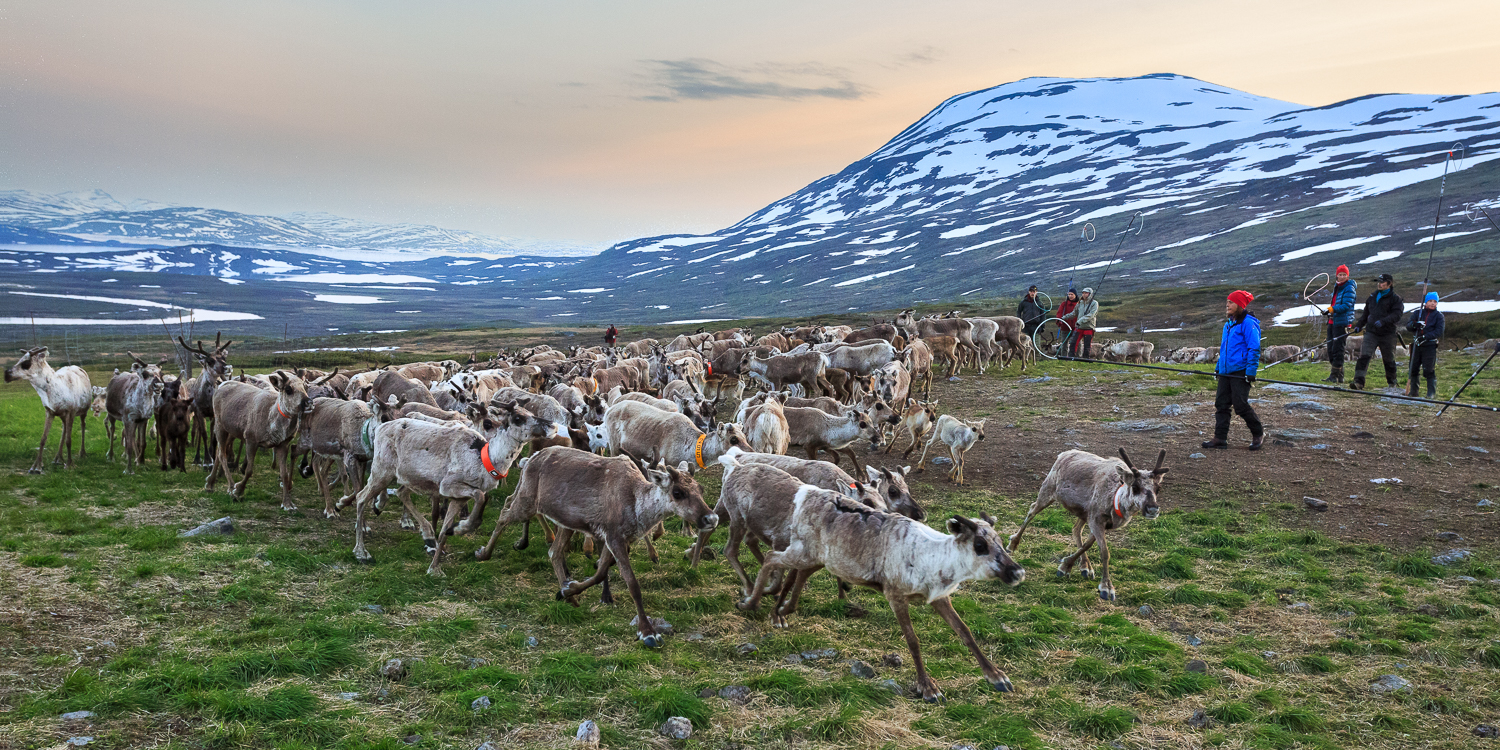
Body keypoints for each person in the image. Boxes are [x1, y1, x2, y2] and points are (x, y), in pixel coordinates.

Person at [1204, 290, 1264, 451]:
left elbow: (1254, 348)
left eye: (1231, 302)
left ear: (1240, 305)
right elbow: (1224, 349)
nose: (1227, 305)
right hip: (1225, 371)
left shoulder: (1249, 324)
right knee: (1221, 404)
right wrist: (1218, 368)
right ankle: (1220, 438)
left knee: (1240, 405)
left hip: (1240, 371)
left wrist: (1251, 370)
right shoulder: (1228, 325)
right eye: (1227, 302)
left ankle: (1258, 433)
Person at [1349, 273, 1403, 391]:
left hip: (1388, 334)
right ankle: (1358, 382)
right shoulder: (1372, 297)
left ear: (1389, 284)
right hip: (1371, 332)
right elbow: (1366, 314)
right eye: (1378, 282)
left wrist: (1384, 321)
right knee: (1364, 356)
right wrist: (1359, 325)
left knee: (1389, 359)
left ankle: (1392, 383)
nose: (1379, 284)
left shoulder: (1396, 299)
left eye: (1382, 282)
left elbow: (1397, 315)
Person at [1405, 291, 1444, 399]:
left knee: (1428, 369)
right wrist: (1415, 324)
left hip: (1430, 345)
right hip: (1416, 345)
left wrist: (1425, 337)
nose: (1432, 303)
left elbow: (1439, 331)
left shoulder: (1439, 316)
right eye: (1430, 301)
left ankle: (1430, 393)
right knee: (1413, 368)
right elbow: (1408, 326)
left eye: (1435, 301)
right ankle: (1413, 392)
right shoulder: (1417, 313)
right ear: (1425, 302)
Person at [1323, 264, 1357, 383]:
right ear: (1336, 275)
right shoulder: (1337, 287)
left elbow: (1346, 306)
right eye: (1340, 274)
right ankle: (1339, 376)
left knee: (1338, 349)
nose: (1342, 277)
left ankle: (1334, 376)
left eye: (1344, 275)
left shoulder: (1349, 288)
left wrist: (1332, 309)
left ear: (1347, 276)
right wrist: (1329, 311)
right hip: (1333, 321)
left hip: (1342, 322)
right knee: (1331, 349)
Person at [1067, 287, 1099, 359]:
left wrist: (1080, 321)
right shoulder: (1080, 303)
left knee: (1087, 346)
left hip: (1089, 327)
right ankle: (1070, 358)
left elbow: (1091, 315)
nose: (1084, 295)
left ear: (1090, 294)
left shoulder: (1094, 303)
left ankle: (1085, 359)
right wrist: (1064, 317)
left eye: (1086, 293)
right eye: (1083, 293)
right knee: (1073, 343)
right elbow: (1074, 313)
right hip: (1080, 327)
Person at [1055, 289, 1078, 356]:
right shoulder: (1063, 304)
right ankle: (1064, 358)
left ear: (1075, 295)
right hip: (1065, 327)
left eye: (1072, 294)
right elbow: (1059, 313)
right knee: (1064, 344)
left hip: (1076, 327)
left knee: (1077, 343)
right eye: (1069, 294)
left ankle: (1077, 357)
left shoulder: (1079, 304)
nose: (1070, 296)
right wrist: (1059, 321)